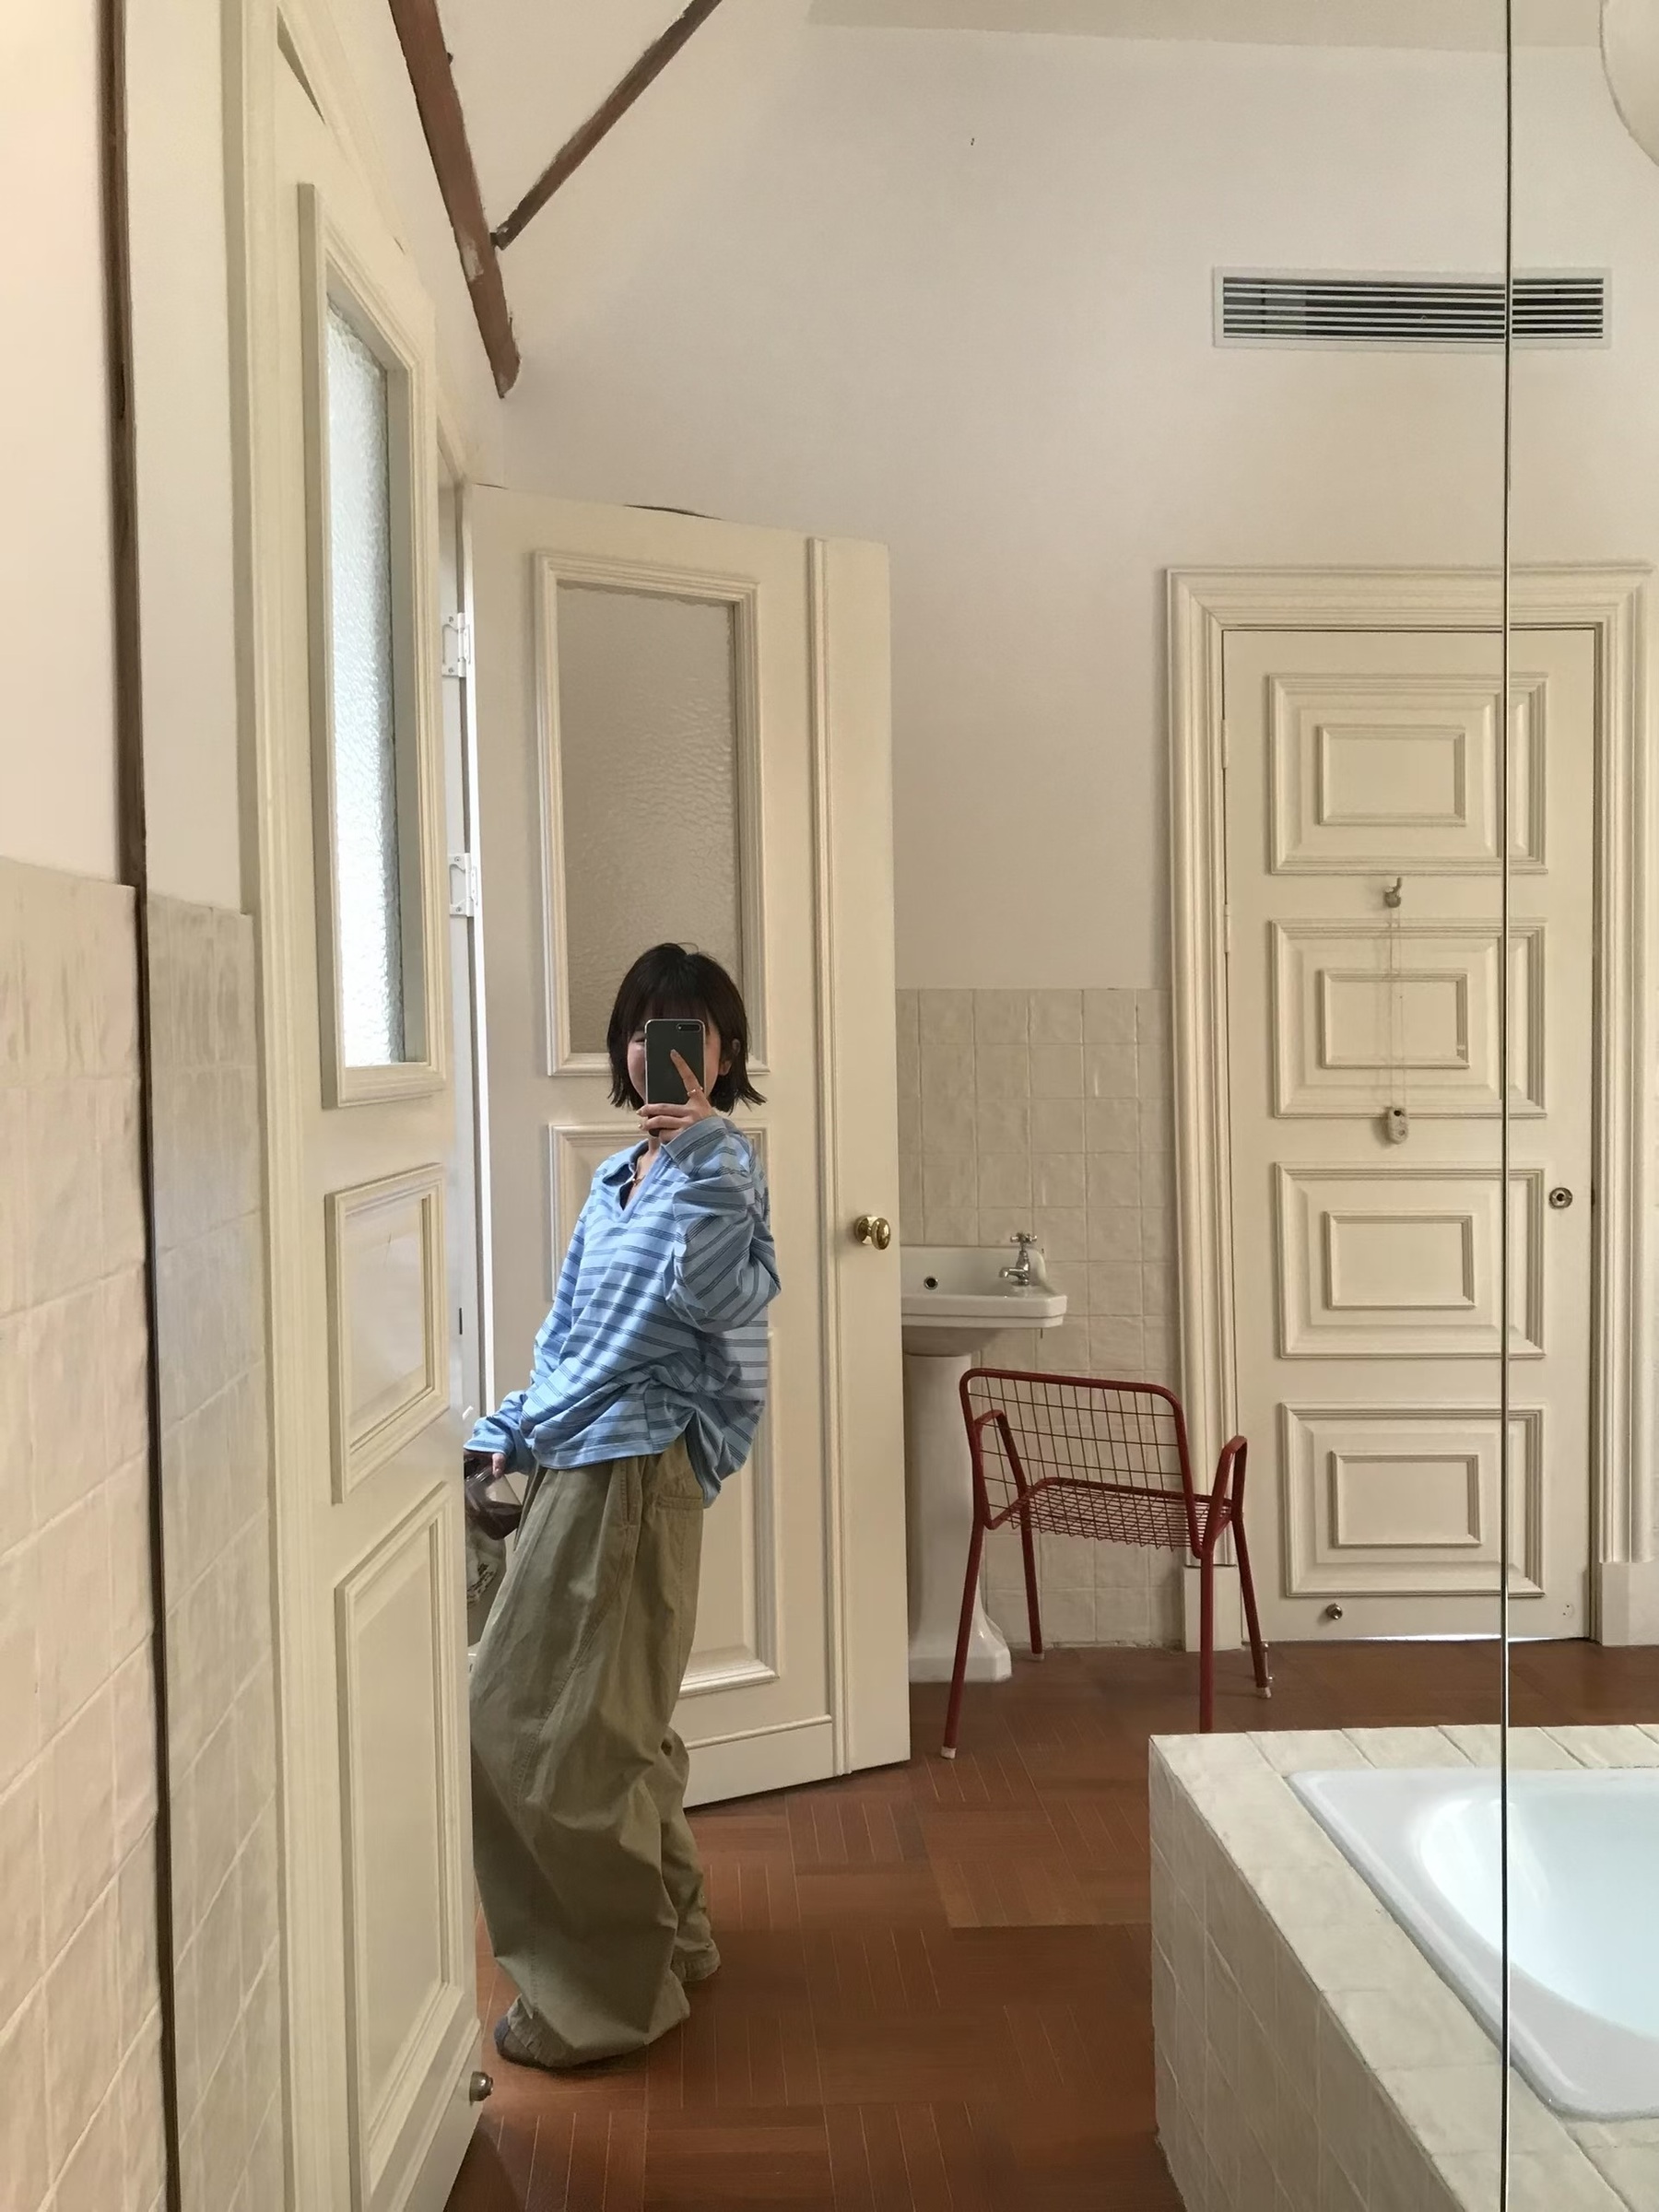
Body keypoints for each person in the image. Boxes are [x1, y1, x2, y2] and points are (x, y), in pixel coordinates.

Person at [465, 944, 779, 2071]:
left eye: (688, 1030)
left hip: (637, 1467)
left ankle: (600, 1998)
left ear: (724, 1054)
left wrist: (699, 1150)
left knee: (543, 1735)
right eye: (645, 1029)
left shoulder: (721, 1169)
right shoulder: (618, 1177)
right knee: (616, 1732)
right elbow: (573, 1333)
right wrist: (509, 1425)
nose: (661, 1048)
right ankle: (674, 1940)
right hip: (579, 1456)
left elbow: (719, 1303)